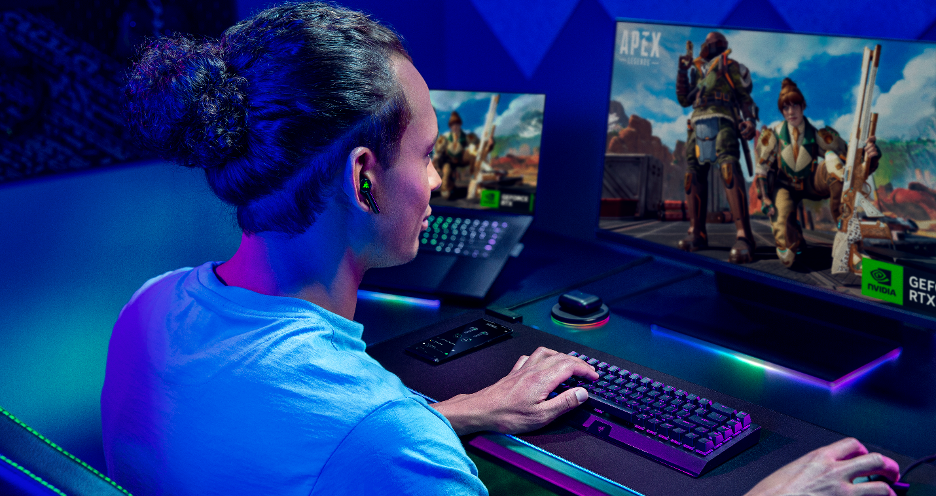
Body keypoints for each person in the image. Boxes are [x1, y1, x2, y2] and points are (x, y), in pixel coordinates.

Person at [101, 3, 900, 495]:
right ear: (363, 178)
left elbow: (299, 447)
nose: (436, 180)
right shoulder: (385, 442)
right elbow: (360, 444)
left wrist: (464, 412)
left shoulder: (149, 311)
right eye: (426, 155)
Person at [754, 78, 881, 267]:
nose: (791, 112)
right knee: (787, 256)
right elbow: (761, 169)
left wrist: (870, 156)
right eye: (786, 107)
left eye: (794, 105)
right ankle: (793, 232)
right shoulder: (773, 135)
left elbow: (852, 163)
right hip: (784, 186)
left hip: (810, 181)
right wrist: (765, 197)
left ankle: (849, 241)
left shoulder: (819, 135)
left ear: (802, 106)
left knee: (834, 162)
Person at [675, 31, 758, 264]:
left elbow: (744, 97)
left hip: (724, 119)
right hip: (697, 123)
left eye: (713, 42)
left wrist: (749, 120)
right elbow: (684, 99)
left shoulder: (730, 66)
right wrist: (682, 71)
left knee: (728, 167)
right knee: (692, 174)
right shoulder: (697, 71)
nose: (709, 44)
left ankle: (744, 236)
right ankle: (697, 232)